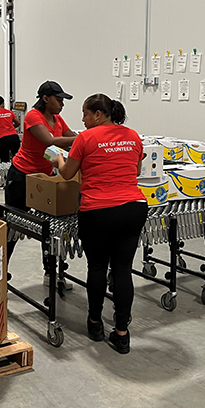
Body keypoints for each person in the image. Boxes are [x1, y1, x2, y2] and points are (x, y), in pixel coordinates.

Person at [55, 94, 147, 354]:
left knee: (97, 267)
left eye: (85, 114)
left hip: (98, 211)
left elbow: (67, 173)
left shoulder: (85, 138)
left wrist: (58, 160)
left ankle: (95, 323)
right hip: (133, 208)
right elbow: (136, 171)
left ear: (97, 114)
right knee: (122, 270)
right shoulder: (133, 135)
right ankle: (121, 333)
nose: (83, 120)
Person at [5, 81, 76, 284]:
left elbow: (71, 136)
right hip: (21, 177)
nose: (62, 104)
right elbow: (50, 141)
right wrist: (83, 140)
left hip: (45, 180)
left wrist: (88, 137)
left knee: (49, 226)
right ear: (45, 99)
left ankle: (50, 273)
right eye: (59, 100)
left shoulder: (58, 119)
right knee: (13, 226)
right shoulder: (33, 117)